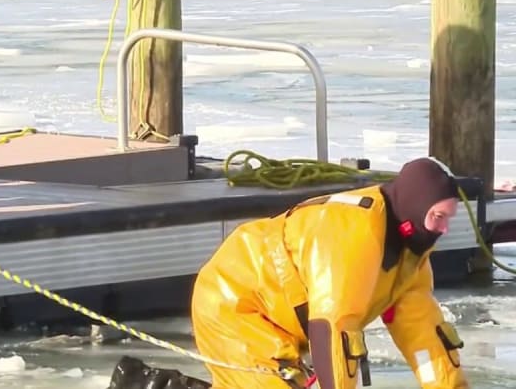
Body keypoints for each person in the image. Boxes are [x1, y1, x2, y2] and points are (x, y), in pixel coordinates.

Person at [189, 156, 468, 388]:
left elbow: (423, 337)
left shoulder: (411, 259)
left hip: (282, 321)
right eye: (438, 217)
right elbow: (333, 328)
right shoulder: (356, 234)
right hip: (233, 302)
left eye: (448, 218)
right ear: (415, 208)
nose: (444, 229)